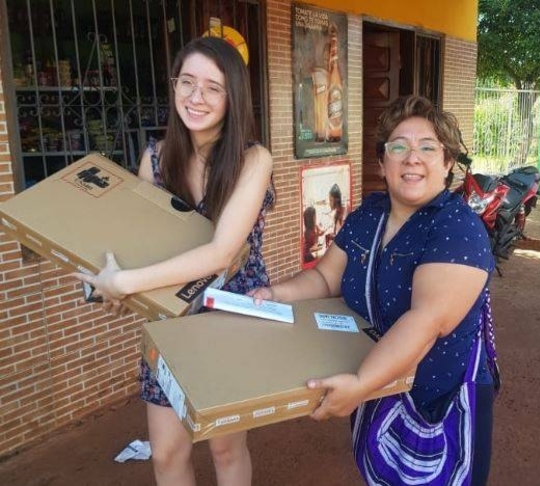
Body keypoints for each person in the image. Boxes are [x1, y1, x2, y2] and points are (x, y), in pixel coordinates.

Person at [250, 95, 497, 485]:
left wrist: (361, 385)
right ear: (382, 163)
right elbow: (325, 278)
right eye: (398, 146)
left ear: (448, 164)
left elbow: (426, 320)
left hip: (439, 396)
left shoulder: (458, 228)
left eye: (428, 147)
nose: (412, 157)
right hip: (379, 383)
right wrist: (273, 295)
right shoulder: (370, 214)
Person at [75, 36, 274, 486]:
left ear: (233, 96)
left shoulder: (252, 159)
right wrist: (112, 284)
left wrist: (123, 282)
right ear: (174, 86)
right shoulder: (154, 159)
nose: (195, 97)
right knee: (166, 454)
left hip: (232, 317)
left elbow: (222, 254)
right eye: (187, 82)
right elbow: (149, 248)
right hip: (171, 320)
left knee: (225, 447)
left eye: (212, 87)